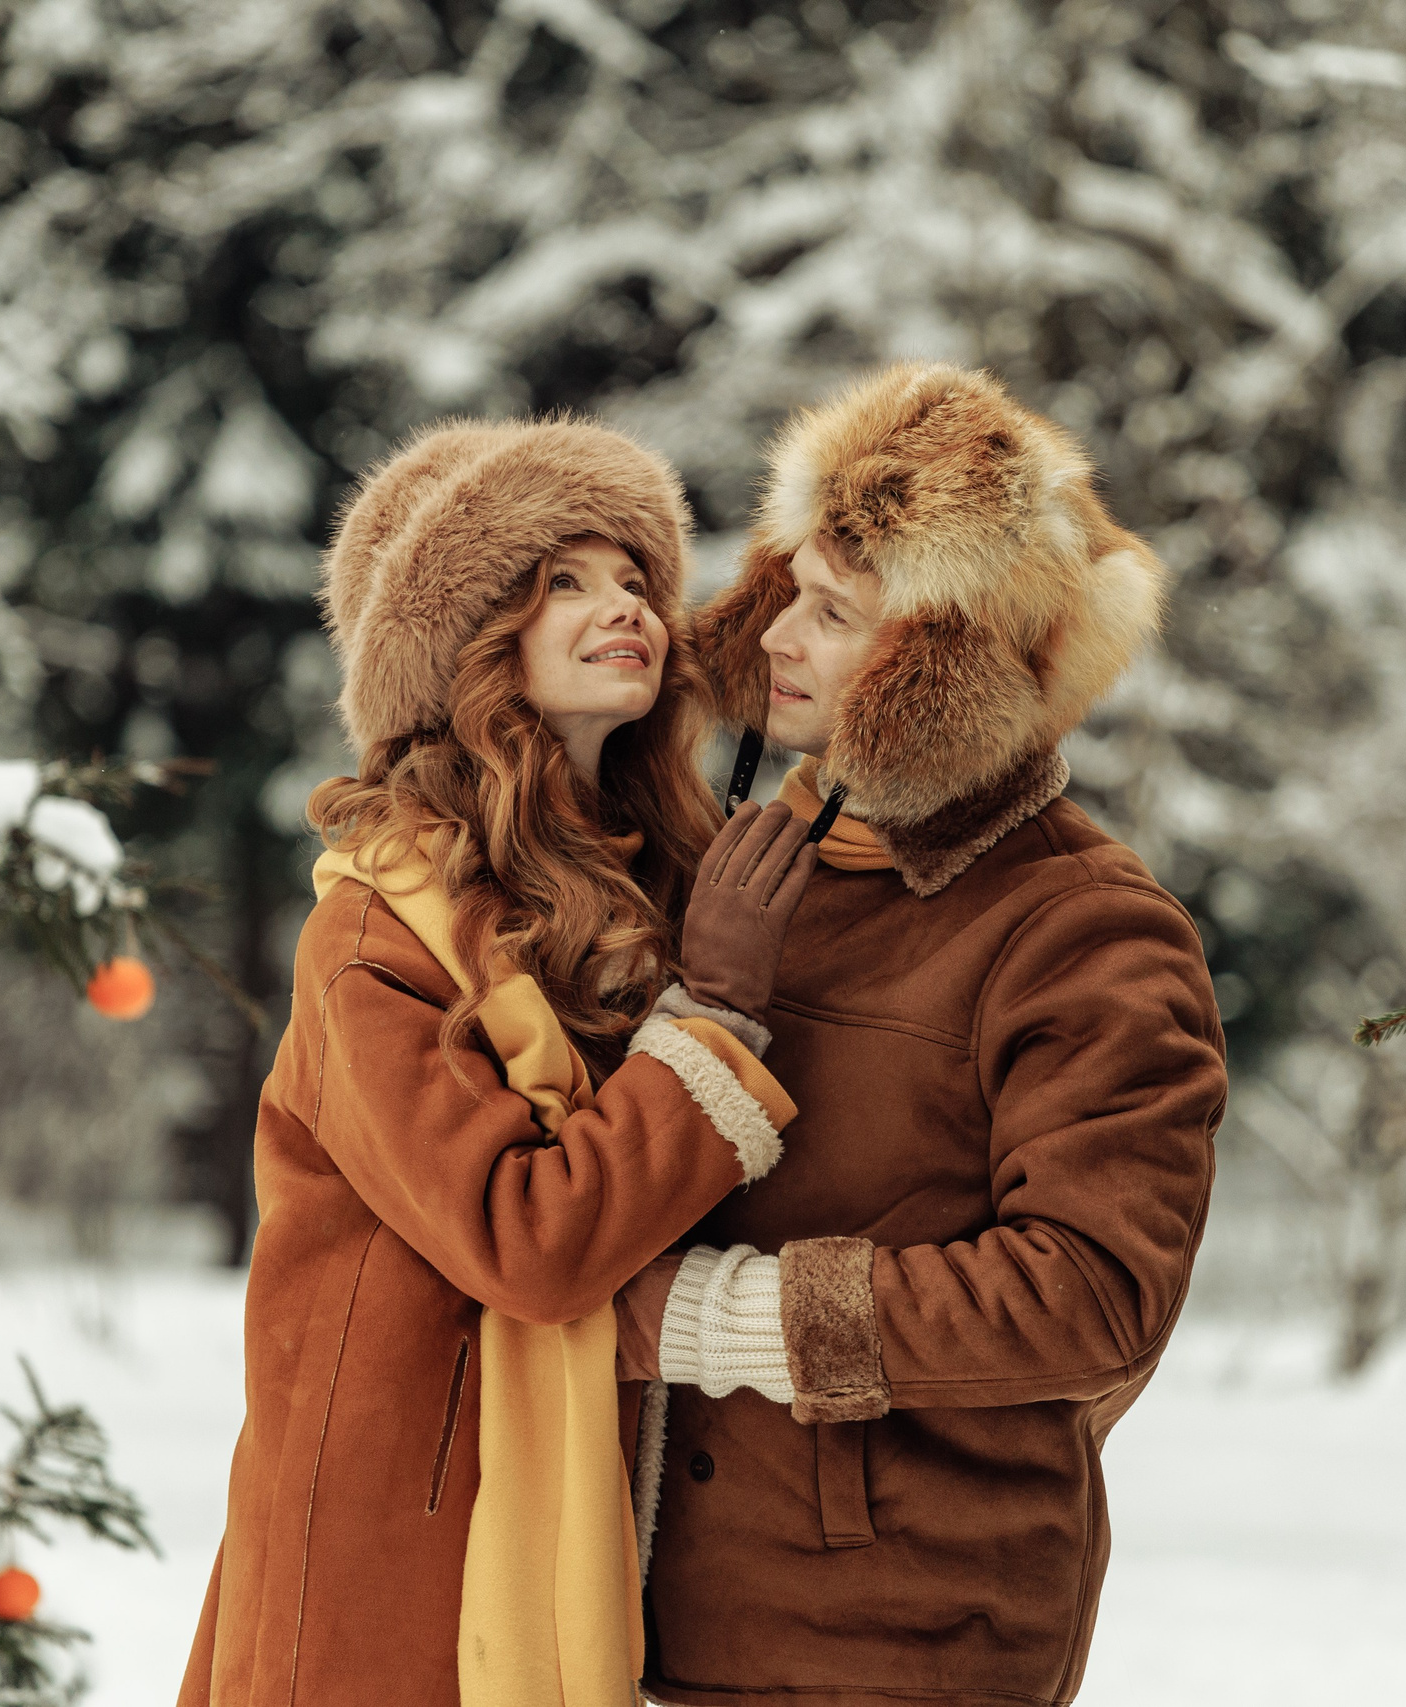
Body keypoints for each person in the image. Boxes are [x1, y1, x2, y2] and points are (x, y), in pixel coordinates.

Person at [178, 417, 818, 1707]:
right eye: (563, 583)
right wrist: (715, 1017)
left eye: (636, 577)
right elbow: (529, 1241)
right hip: (396, 1564)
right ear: (468, 648)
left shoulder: (647, 894)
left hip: (587, 1521)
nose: (626, 604)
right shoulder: (376, 932)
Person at [616, 363, 1228, 1707]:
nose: (776, 636)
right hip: (678, 1615)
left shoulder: (1088, 931)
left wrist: (721, 1322)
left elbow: (1094, 1298)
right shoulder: (755, 866)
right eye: (784, 589)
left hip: (907, 1637)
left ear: (936, 671)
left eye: (831, 614)